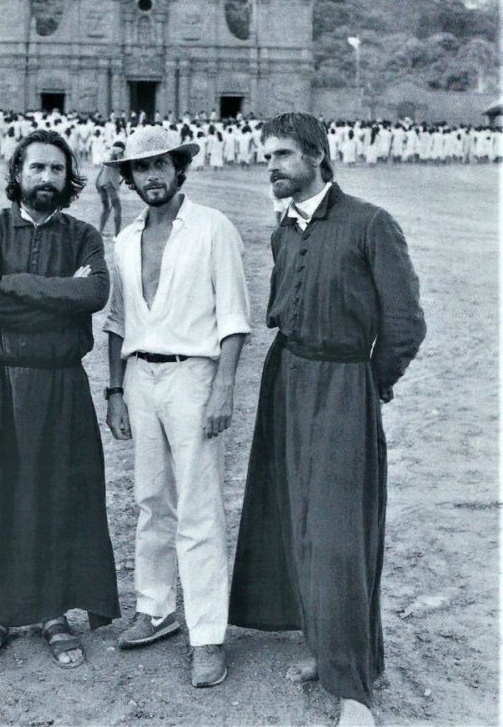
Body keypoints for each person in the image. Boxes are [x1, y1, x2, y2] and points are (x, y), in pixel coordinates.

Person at [229, 112, 426, 727]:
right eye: (267, 155)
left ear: (316, 156)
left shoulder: (371, 223)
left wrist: (373, 384)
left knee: (341, 532)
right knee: (295, 516)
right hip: (287, 378)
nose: (271, 166)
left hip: (345, 385)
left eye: (283, 155)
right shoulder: (282, 229)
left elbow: (405, 323)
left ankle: (354, 685)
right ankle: (324, 647)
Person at [0, 129, 120, 673]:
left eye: (57, 170)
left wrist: (15, 287)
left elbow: (94, 293)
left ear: (68, 178)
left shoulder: (83, 236)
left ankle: (54, 611)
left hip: (60, 385)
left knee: (57, 496)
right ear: (18, 174)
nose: (47, 179)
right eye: (37, 168)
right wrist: (56, 295)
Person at [103, 125, 251, 688]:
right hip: (141, 378)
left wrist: (224, 388)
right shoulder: (124, 238)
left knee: (199, 505)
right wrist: (115, 390)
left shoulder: (212, 227)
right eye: (141, 169)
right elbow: (117, 323)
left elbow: (234, 316)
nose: (152, 176)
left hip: (195, 377)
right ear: (130, 178)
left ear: (179, 167)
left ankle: (208, 634)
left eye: (162, 164)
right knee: (148, 498)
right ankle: (156, 607)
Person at [95, 140, 125, 236]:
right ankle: (117, 234)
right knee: (117, 207)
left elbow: (105, 167)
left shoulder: (108, 152)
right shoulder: (118, 150)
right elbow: (120, 163)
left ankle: (100, 231)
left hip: (100, 182)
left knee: (106, 208)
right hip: (110, 183)